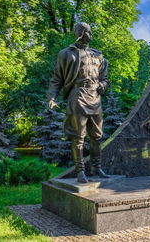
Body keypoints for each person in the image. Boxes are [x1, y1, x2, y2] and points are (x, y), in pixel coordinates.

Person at [47, 22, 109, 183]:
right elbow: (57, 78)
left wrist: (103, 85)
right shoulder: (66, 54)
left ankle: (96, 168)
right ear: (80, 33)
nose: (91, 35)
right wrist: (51, 97)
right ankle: (80, 171)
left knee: (97, 136)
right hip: (78, 96)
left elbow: (105, 79)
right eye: (89, 32)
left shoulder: (98, 55)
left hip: (95, 97)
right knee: (79, 137)